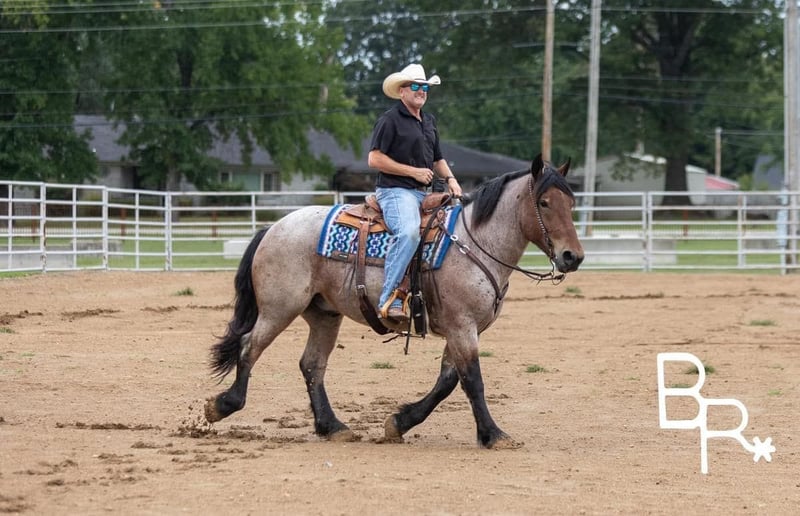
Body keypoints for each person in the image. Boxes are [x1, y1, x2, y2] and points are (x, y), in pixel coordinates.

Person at [368, 63, 463, 322]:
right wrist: (413, 172)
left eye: (425, 87)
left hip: (425, 193)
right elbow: (374, 158)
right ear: (402, 91)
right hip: (396, 191)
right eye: (416, 86)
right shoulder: (389, 120)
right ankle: (390, 299)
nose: (421, 91)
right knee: (409, 233)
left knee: (458, 230)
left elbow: (438, 159)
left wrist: (451, 180)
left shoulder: (429, 121)